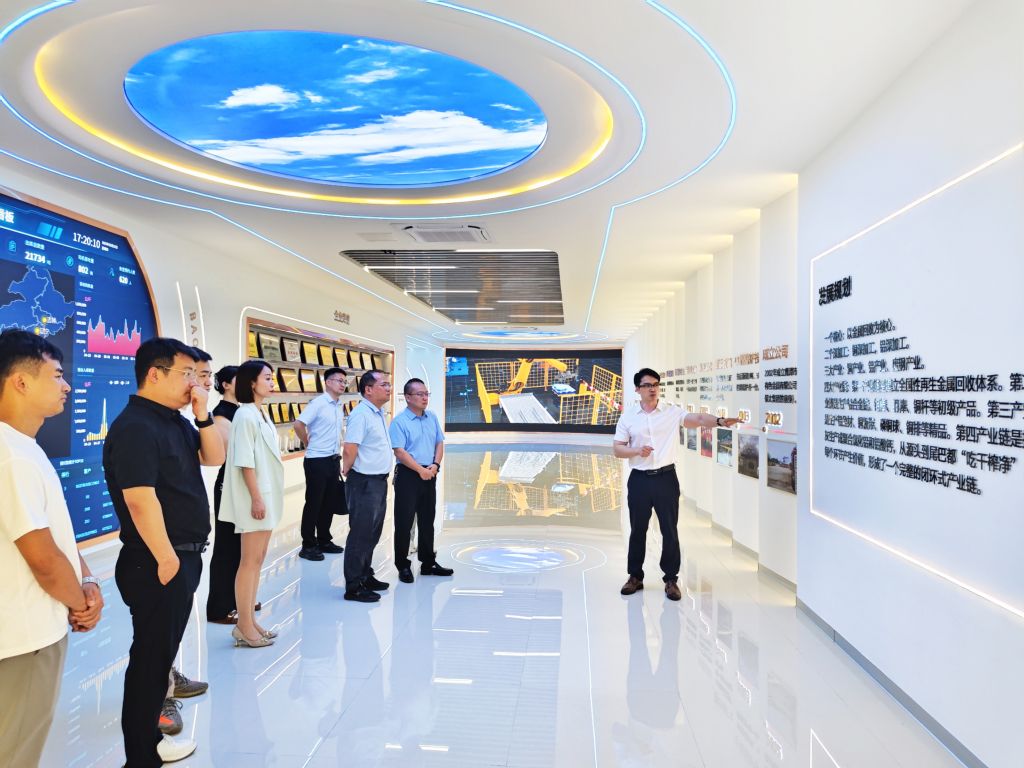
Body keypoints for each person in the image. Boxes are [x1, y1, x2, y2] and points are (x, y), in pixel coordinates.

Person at [104, 337, 225, 766]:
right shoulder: (137, 426)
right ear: (154, 374)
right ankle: (141, 755)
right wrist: (167, 558)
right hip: (157, 560)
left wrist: (203, 415)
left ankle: (150, 743)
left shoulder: (173, 420)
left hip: (179, 556)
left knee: (158, 658)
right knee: (150, 662)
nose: (195, 382)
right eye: (186, 373)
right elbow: (140, 500)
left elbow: (214, 457)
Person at [0, 329, 103, 767]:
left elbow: (55, 535)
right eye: (57, 375)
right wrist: (82, 604)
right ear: (21, 382)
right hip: (24, 639)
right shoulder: (12, 456)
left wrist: (88, 580)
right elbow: (42, 557)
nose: (67, 386)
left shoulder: (24, 448)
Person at [613, 368, 739, 601]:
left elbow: (698, 419)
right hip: (639, 480)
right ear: (638, 389)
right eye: (647, 385)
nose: (652, 389)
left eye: (656, 384)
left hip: (666, 479)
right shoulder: (628, 417)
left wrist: (719, 421)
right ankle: (635, 576)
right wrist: (637, 450)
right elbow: (618, 449)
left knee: (669, 530)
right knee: (638, 529)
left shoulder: (671, 412)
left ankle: (671, 579)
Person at [219, 360, 284, 648]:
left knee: (257, 560)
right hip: (256, 497)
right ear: (251, 383)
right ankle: (244, 625)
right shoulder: (245, 415)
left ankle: (250, 620)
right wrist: (256, 498)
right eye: (267, 378)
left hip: (265, 495)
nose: (272, 382)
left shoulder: (259, 413)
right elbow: (245, 461)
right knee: (249, 562)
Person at [389, 378, 453, 584]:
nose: (425, 398)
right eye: (420, 394)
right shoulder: (399, 422)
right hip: (408, 475)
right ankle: (403, 565)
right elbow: (399, 451)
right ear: (408, 397)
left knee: (427, 521)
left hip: (429, 473)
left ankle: (428, 563)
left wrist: (435, 465)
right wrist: (420, 470)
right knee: (404, 522)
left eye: (426, 394)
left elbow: (439, 442)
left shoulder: (431, 417)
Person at [341, 370, 394, 603]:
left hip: (378, 481)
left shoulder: (378, 413)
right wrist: (347, 469)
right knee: (360, 534)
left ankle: (365, 574)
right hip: (364, 482)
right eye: (384, 384)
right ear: (368, 389)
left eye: (389, 384)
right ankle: (354, 586)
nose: (389, 388)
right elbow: (350, 448)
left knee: (372, 532)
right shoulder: (361, 414)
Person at [293, 366, 348, 561]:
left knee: (329, 502)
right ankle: (308, 544)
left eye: (344, 381)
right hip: (316, 460)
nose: (343, 384)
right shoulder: (318, 403)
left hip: (333, 459)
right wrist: (306, 441)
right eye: (339, 380)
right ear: (328, 382)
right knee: (314, 503)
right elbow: (298, 424)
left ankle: (324, 540)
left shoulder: (338, 405)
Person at [206, 365, 241, 623]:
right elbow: (229, 453)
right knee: (226, 547)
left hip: (239, 483)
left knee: (239, 547)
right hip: (228, 484)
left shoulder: (241, 411)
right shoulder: (221, 415)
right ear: (226, 384)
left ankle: (238, 598)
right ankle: (219, 608)